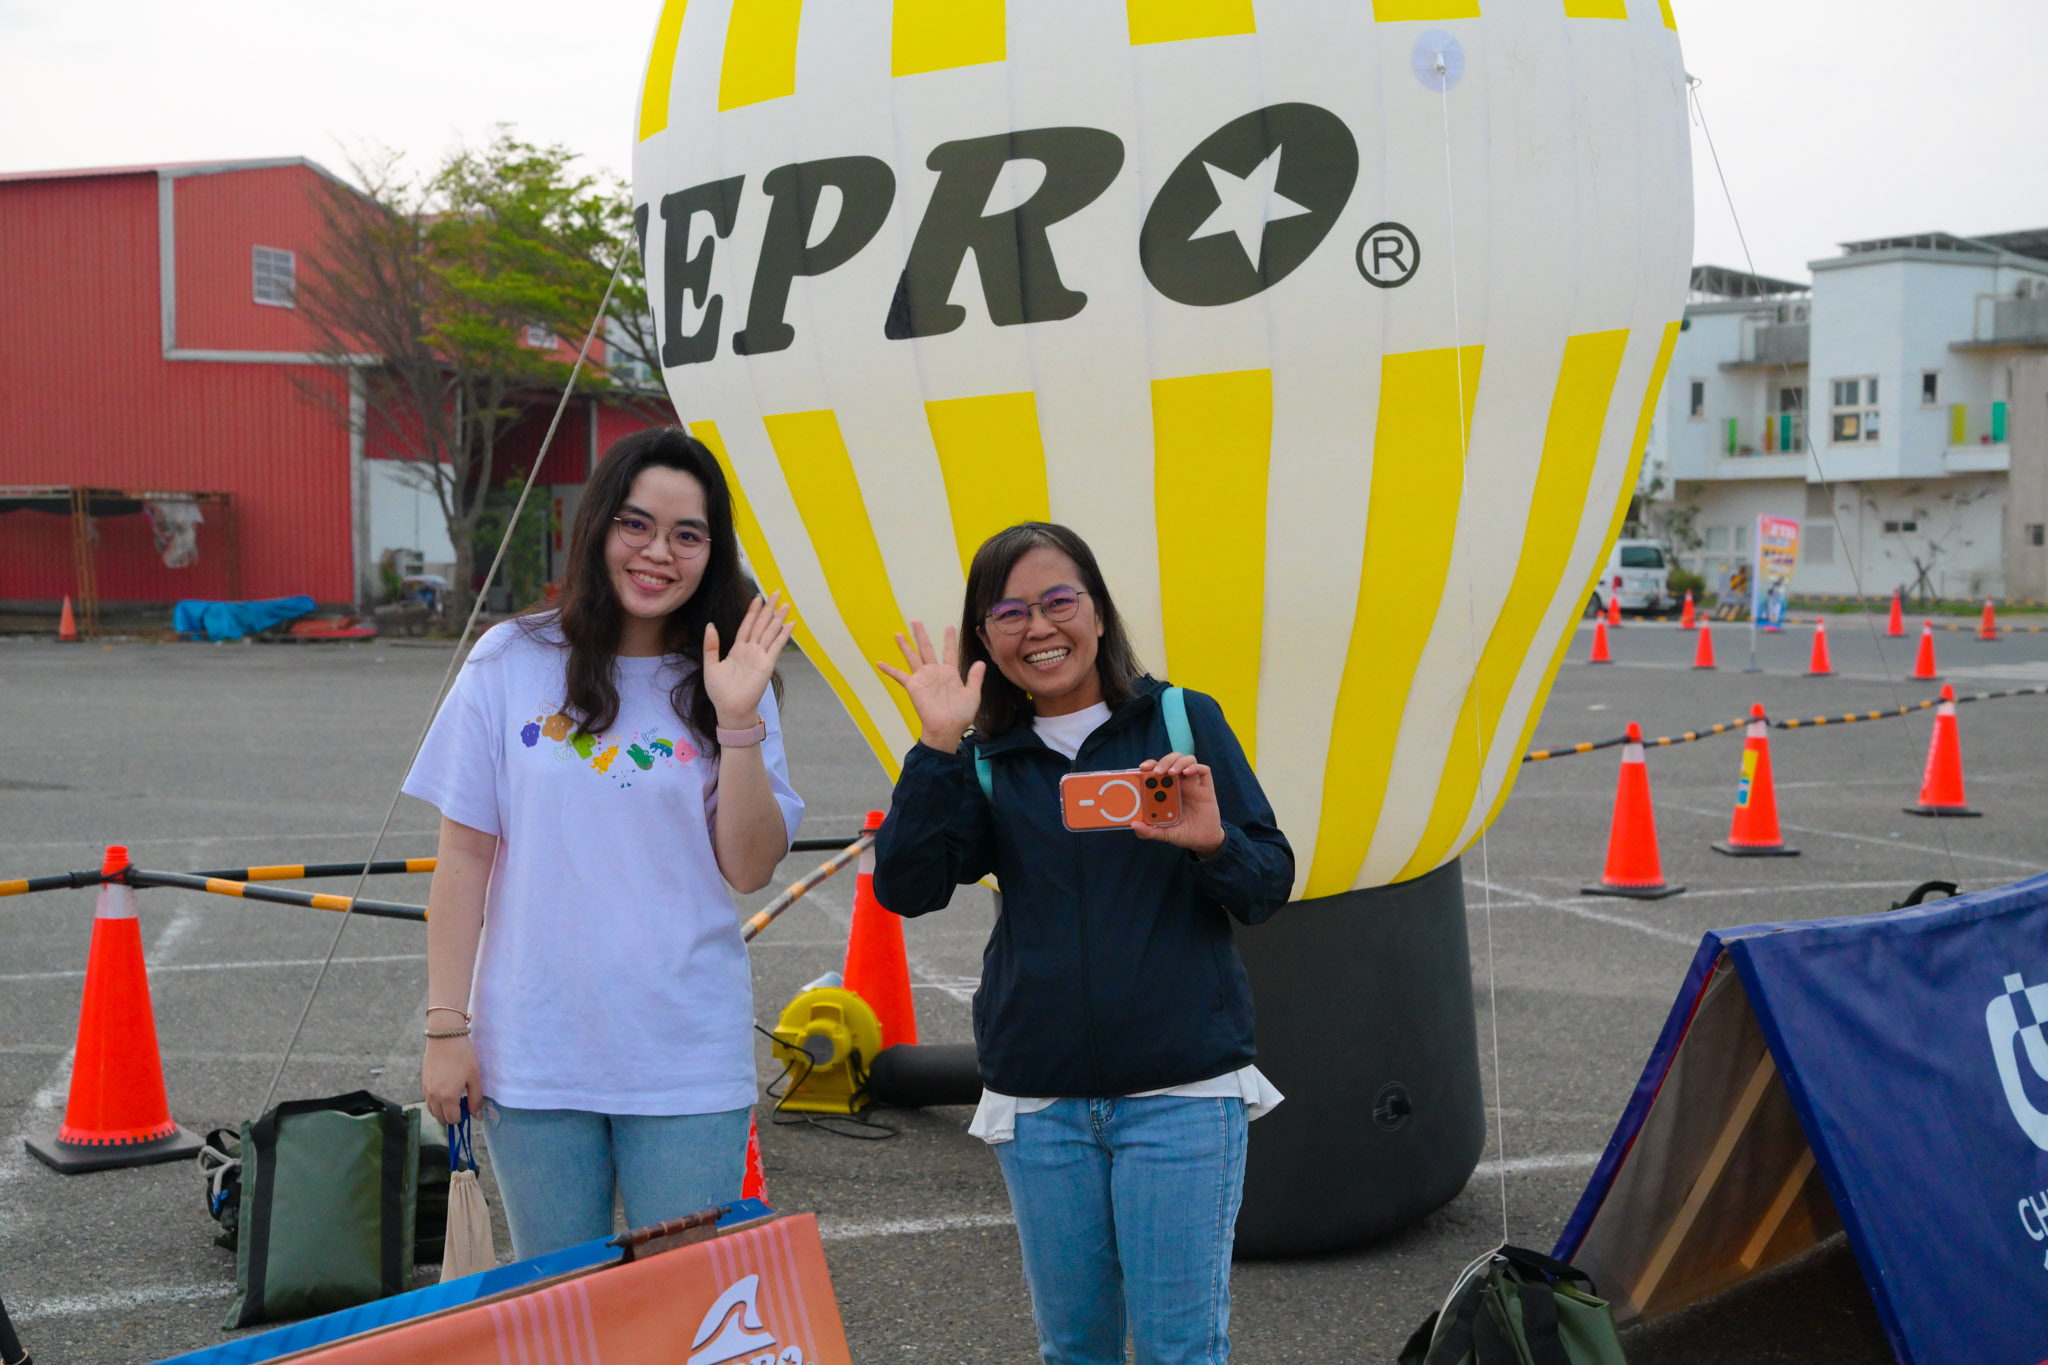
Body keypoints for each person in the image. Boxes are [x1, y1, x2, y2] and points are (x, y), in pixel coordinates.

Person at [871, 522, 1294, 1365]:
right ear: (986, 637)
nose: (1039, 627)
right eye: (1010, 612)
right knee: (1074, 1349)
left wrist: (1213, 843)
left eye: (1059, 600)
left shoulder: (1180, 719)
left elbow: (1266, 884)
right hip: (1042, 1101)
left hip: (1182, 1091)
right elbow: (907, 887)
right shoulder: (987, 757)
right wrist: (938, 744)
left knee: (1181, 1349)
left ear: (1098, 612)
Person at [406, 427, 803, 1258]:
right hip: (536, 1048)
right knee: (560, 1303)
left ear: (713, 553)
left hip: (686, 1052)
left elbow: (749, 866)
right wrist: (446, 1029)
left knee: (685, 1297)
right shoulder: (510, 659)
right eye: (637, 524)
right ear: (598, 527)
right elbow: (465, 858)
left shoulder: (733, 676)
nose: (658, 552)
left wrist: (738, 719)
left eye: (687, 534)